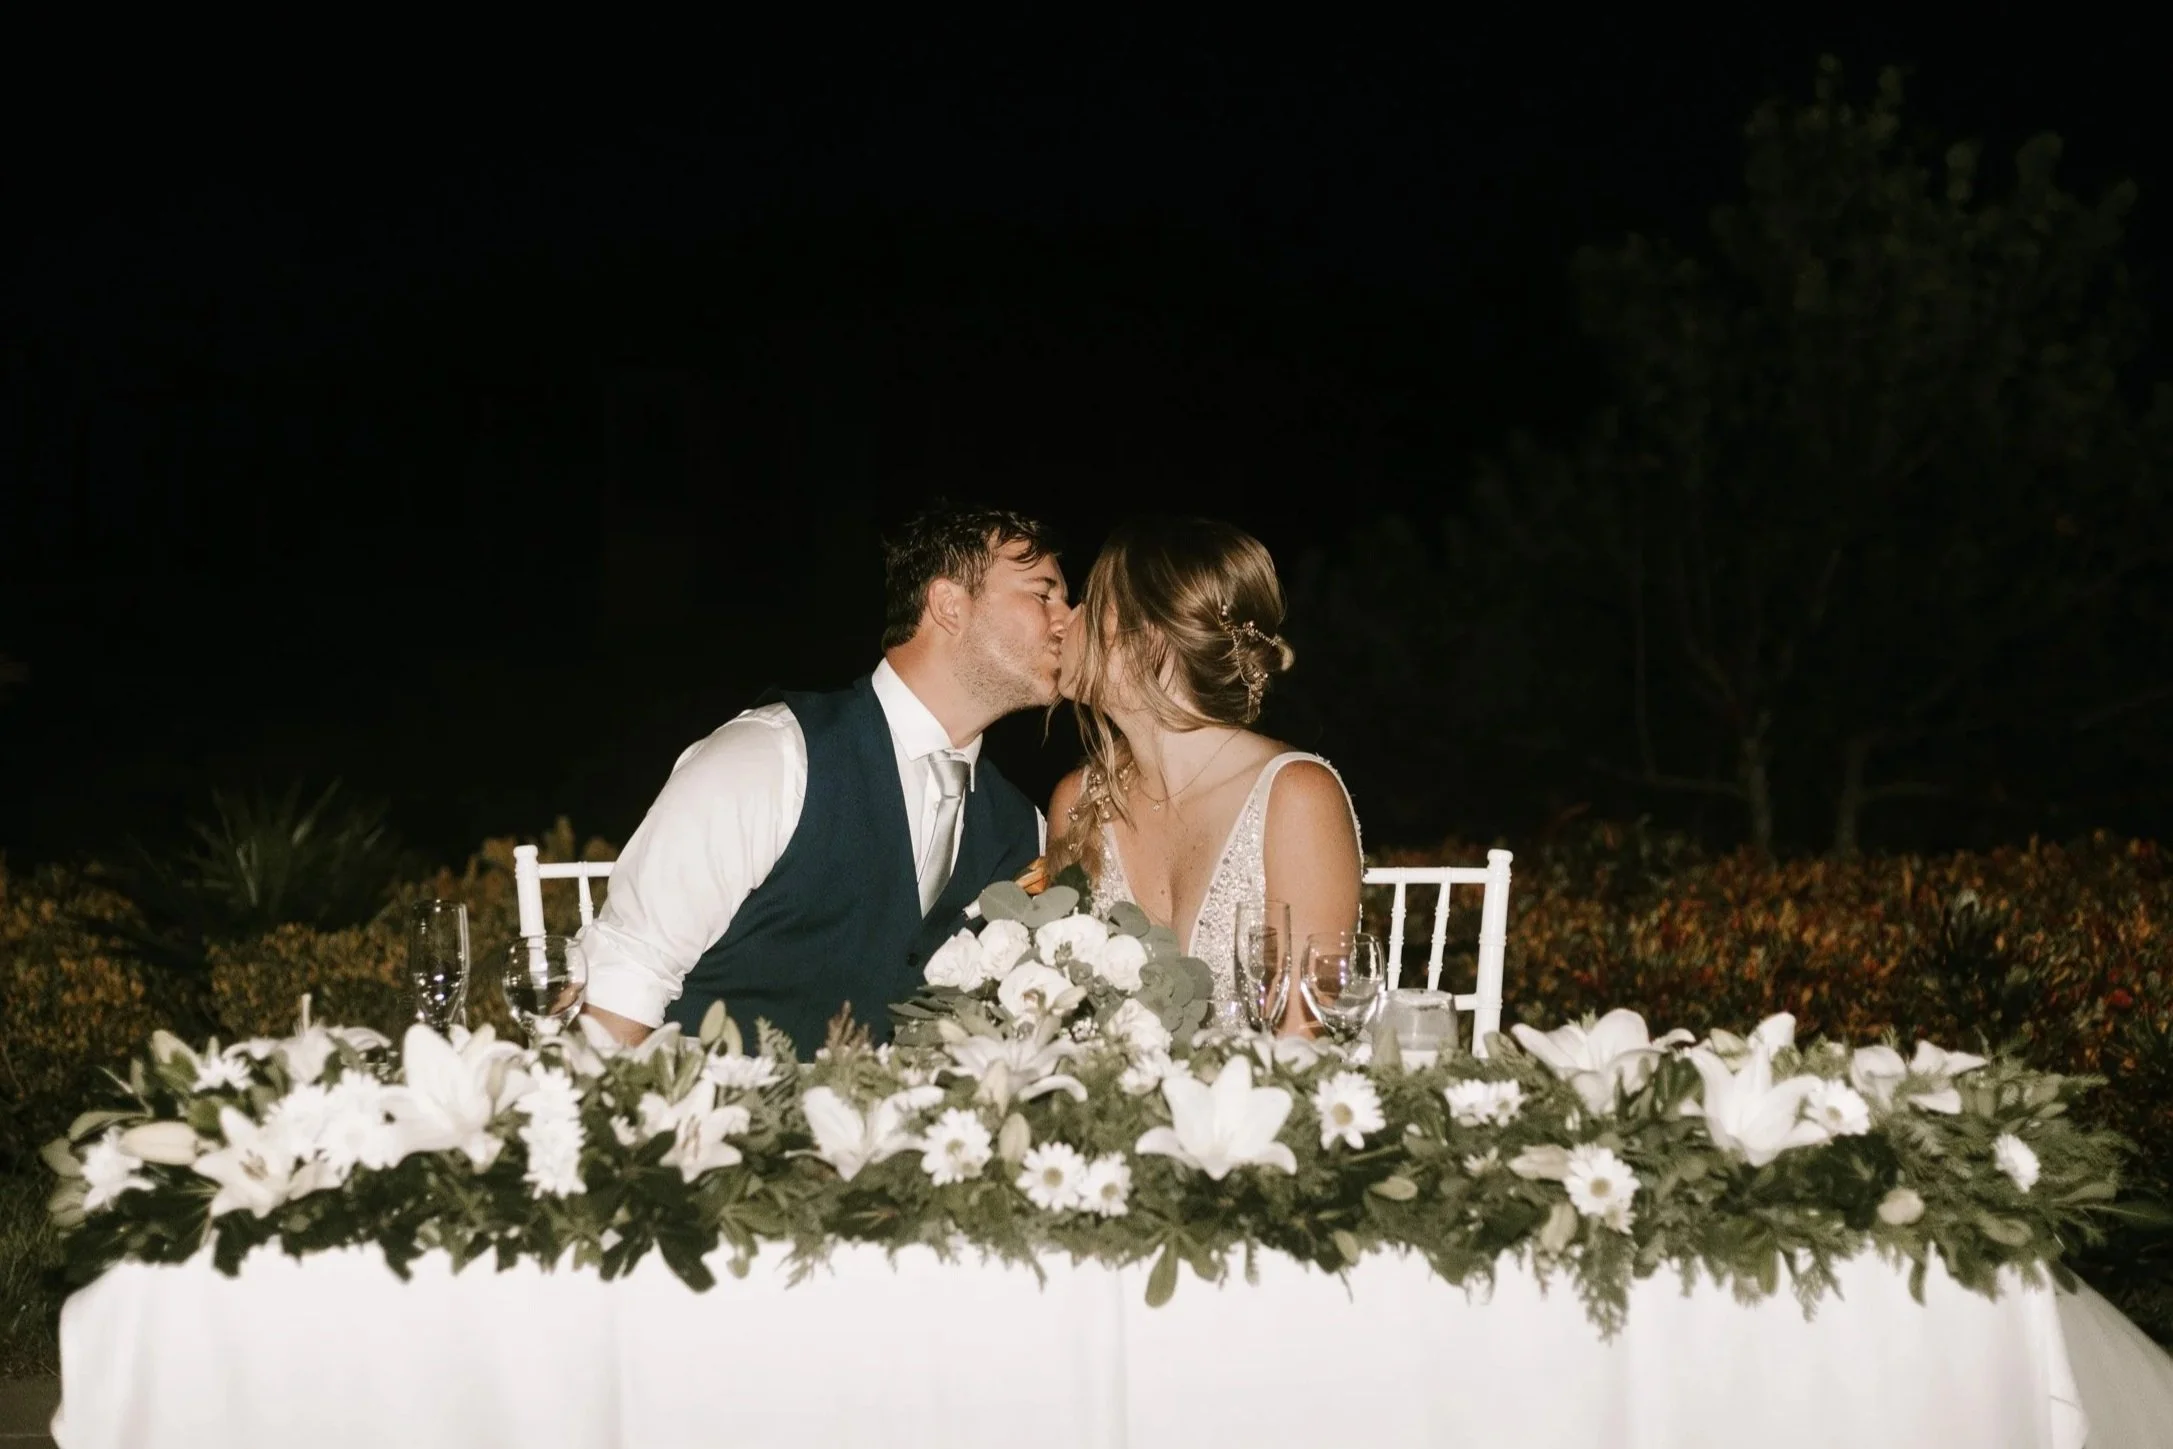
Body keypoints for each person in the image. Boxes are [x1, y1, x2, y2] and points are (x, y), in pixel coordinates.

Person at [578, 503, 1071, 1055]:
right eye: (1043, 593)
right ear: (949, 605)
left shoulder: (1023, 829)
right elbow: (627, 972)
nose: (1068, 619)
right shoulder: (770, 756)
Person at [1046, 516, 1362, 1029]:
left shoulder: (1296, 796)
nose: (1062, 622)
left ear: (1146, 639)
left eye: (1088, 601)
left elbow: (1305, 1038)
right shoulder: (1077, 801)